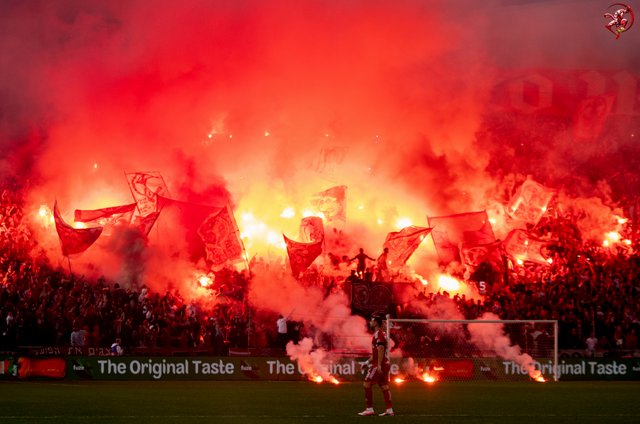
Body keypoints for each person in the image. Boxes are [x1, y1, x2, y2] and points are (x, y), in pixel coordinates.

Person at [358, 315, 394, 417]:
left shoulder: (379, 334)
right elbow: (377, 352)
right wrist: (367, 362)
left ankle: (369, 409)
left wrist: (378, 365)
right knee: (384, 387)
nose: (370, 322)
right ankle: (389, 409)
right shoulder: (380, 334)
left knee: (367, 384)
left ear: (376, 323)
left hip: (380, 364)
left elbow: (381, 349)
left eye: (372, 321)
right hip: (384, 363)